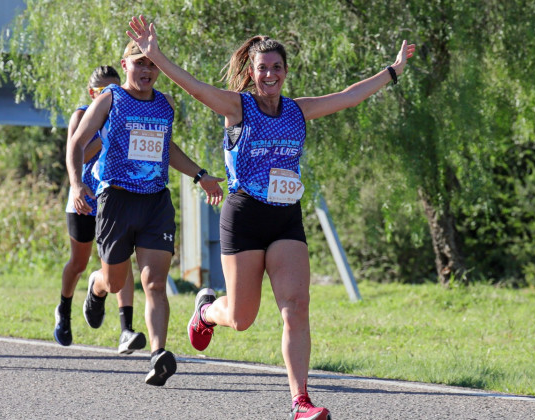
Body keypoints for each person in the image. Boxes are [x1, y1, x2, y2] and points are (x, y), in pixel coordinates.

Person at [126, 15, 415, 419]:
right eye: (263, 68)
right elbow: (195, 87)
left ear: (285, 72)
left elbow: (349, 96)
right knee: (242, 318)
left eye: (277, 67)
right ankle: (206, 310)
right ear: (251, 72)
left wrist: (393, 71)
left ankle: (300, 401)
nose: (270, 74)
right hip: (244, 216)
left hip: (285, 220)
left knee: (296, 307)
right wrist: (157, 56)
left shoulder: (297, 111)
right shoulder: (237, 106)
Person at [67, 39, 224, 386]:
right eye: (140, 63)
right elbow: (77, 142)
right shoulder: (110, 100)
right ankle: (96, 285)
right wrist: (77, 185)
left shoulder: (164, 105)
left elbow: (166, 148)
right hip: (116, 202)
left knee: (154, 283)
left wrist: (200, 175)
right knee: (116, 281)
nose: (147, 71)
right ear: (125, 65)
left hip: (155, 202)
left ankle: (158, 355)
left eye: (152, 64)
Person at [56, 65, 147, 355]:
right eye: (102, 92)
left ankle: (126, 329)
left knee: (122, 259)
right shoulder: (83, 116)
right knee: (79, 263)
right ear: (92, 93)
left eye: (114, 90)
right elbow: (78, 152)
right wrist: (108, 134)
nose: (109, 96)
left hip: (115, 197)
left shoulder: (126, 113)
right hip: (84, 200)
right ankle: (65, 308)